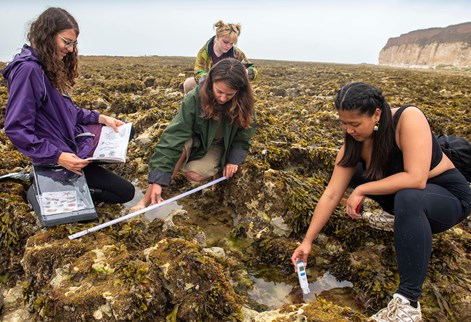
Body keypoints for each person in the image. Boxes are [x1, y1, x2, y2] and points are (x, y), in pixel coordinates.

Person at [290, 82, 471, 321]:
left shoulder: (408, 119)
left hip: (447, 198)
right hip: (409, 201)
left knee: (408, 195)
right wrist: (307, 241)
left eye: (355, 124)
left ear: (376, 114)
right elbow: (331, 194)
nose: (349, 130)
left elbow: (416, 179)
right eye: (343, 123)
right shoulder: (352, 146)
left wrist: (363, 189)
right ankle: (401, 217)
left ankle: (408, 303)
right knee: (354, 172)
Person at [2, 7, 135, 204]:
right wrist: (58, 157)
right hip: (56, 152)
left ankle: (85, 167)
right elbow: (16, 129)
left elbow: (66, 110)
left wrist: (99, 118)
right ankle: (44, 182)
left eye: (73, 44)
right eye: (66, 42)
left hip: (70, 137)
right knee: (125, 192)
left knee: (123, 131)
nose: (71, 49)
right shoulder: (28, 70)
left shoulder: (47, 65)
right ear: (46, 36)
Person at [132, 58, 256, 211]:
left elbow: (244, 134)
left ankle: (213, 171)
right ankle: (145, 200)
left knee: (195, 175)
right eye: (219, 92)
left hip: (218, 144)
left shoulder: (245, 102)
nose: (223, 98)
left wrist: (233, 160)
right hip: (195, 140)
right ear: (211, 83)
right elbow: (173, 136)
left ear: (239, 90)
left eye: (229, 94)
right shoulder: (194, 98)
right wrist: (158, 179)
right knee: (177, 152)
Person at [183, 20, 258, 95]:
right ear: (218, 36)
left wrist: (247, 72)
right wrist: (211, 81)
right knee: (189, 83)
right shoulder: (204, 52)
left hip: (230, 85)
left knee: (246, 89)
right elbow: (198, 72)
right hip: (209, 84)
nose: (228, 46)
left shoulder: (237, 53)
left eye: (231, 44)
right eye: (225, 42)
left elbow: (253, 70)